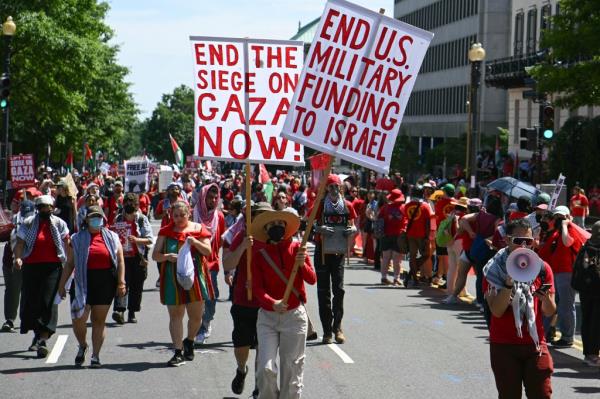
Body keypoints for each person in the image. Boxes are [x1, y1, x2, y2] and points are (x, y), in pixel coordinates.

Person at [483, 218, 556, 399]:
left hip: (535, 344)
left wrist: (545, 299)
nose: (524, 246)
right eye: (518, 241)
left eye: (528, 242)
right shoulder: (493, 271)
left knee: (542, 394)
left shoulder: (542, 268)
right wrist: (508, 284)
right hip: (504, 345)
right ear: (507, 240)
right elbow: (497, 311)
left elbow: (549, 311)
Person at [251, 208, 316, 399]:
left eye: (280, 224)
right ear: (265, 230)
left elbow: (312, 279)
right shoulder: (259, 255)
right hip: (268, 318)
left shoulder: (298, 249)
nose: (276, 228)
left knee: (292, 371)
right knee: (266, 369)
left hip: (294, 317)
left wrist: (302, 263)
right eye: (271, 225)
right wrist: (273, 303)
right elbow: (256, 288)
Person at [58, 205, 126, 367]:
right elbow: (69, 264)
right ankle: (83, 345)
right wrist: (61, 286)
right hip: (82, 281)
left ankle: (95, 356)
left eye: (99, 216)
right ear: (86, 220)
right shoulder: (77, 238)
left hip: (105, 281)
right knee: (78, 318)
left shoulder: (112, 237)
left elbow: (120, 260)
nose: (96, 220)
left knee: (98, 320)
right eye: (92, 217)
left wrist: (121, 282)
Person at [152, 201, 213, 366]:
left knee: (196, 316)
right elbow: (155, 255)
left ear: (189, 214)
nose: (178, 219)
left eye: (182, 215)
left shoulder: (199, 229)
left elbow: (208, 252)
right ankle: (178, 351)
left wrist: (196, 242)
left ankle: (190, 341)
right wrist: (167, 257)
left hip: (195, 277)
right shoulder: (166, 231)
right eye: (175, 215)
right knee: (175, 316)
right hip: (172, 278)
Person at [222, 202, 272, 398]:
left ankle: (259, 386)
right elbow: (227, 263)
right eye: (258, 215)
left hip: (266, 302)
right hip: (243, 300)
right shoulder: (243, 236)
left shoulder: (274, 238)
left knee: (264, 346)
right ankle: (241, 370)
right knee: (241, 344)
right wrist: (243, 246)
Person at [13, 195, 70, 358]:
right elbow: (20, 243)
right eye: (43, 207)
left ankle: (43, 338)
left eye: (49, 207)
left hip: (53, 268)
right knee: (32, 301)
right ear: (38, 209)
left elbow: (66, 243)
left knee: (49, 301)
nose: (47, 210)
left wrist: (70, 262)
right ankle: (37, 335)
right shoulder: (29, 223)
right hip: (31, 267)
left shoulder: (59, 223)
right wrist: (18, 257)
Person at [313, 174, 357, 344]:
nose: (333, 189)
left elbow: (352, 224)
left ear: (340, 188)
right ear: (326, 188)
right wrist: (319, 228)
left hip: (338, 254)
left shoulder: (347, 205)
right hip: (323, 251)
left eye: (336, 186)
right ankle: (327, 331)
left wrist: (351, 230)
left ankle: (337, 327)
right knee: (323, 292)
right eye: (330, 186)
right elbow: (307, 223)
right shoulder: (319, 205)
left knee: (338, 290)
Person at [538, 205, 585, 348]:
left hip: (567, 272)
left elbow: (567, 242)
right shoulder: (557, 232)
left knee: (566, 306)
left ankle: (567, 337)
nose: (558, 219)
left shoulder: (571, 230)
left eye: (561, 216)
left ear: (567, 217)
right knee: (555, 304)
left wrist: (566, 224)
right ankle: (546, 332)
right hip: (557, 273)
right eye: (556, 216)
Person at [110, 193, 154, 324]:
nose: (129, 206)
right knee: (122, 282)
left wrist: (137, 240)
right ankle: (120, 311)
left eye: (132, 204)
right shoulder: (118, 219)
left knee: (137, 285)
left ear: (136, 205)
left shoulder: (142, 219)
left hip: (137, 257)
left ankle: (132, 312)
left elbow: (150, 239)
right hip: (122, 257)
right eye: (126, 203)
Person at [193, 183, 225, 344]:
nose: (212, 200)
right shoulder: (194, 214)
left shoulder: (219, 217)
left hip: (211, 264)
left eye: (215, 197)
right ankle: (198, 327)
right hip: (194, 262)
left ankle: (206, 323)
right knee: (197, 298)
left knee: (211, 296)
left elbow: (220, 241)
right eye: (209, 197)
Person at [1, 200, 35, 332]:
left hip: (31, 263)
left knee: (29, 292)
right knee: (12, 291)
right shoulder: (12, 225)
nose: (26, 216)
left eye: (29, 213)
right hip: (11, 263)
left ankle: (27, 319)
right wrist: (9, 229)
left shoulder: (37, 225)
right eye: (24, 213)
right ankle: (10, 320)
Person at [571, 221, 600, 367]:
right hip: (596, 291)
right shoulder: (595, 249)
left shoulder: (586, 246)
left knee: (587, 321)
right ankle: (593, 355)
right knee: (595, 323)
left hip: (585, 290)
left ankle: (589, 354)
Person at [402, 185, 434, 288]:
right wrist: (427, 236)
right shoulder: (425, 206)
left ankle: (413, 277)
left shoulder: (406, 206)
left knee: (412, 257)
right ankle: (412, 275)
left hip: (410, 234)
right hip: (422, 235)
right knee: (426, 255)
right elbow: (428, 222)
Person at [378, 189, 405, 285]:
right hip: (398, 235)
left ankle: (383, 277)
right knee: (397, 259)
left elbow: (379, 218)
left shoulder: (385, 207)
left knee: (385, 258)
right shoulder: (403, 208)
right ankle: (396, 278)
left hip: (386, 235)